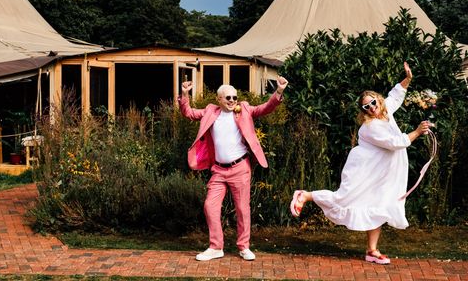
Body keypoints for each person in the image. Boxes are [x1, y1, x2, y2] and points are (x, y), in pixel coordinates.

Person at [289, 61, 431, 265]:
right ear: (363, 110)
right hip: (364, 171)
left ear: (378, 100)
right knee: (343, 199)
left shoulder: (385, 112)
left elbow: (395, 96)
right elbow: (395, 143)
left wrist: (407, 79)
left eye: (373, 102)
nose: (372, 107)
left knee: (379, 205)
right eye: (367, 106)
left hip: (381, 172)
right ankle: (305, 195)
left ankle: (372, 251)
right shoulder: (370, 126)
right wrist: (417, 132)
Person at [179, 77, 288, 261]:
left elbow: (264, 108)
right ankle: (216, 247)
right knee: (210, 206)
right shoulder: (210, 111)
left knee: (242, 209)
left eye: (234, 97)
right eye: (228, 97)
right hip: (219, 171)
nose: (232, 101)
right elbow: (188, 113)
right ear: (219, 99)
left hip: (240, 168)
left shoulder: (243, 109)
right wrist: (184, 94)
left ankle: (244, 247)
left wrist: (278, 92)